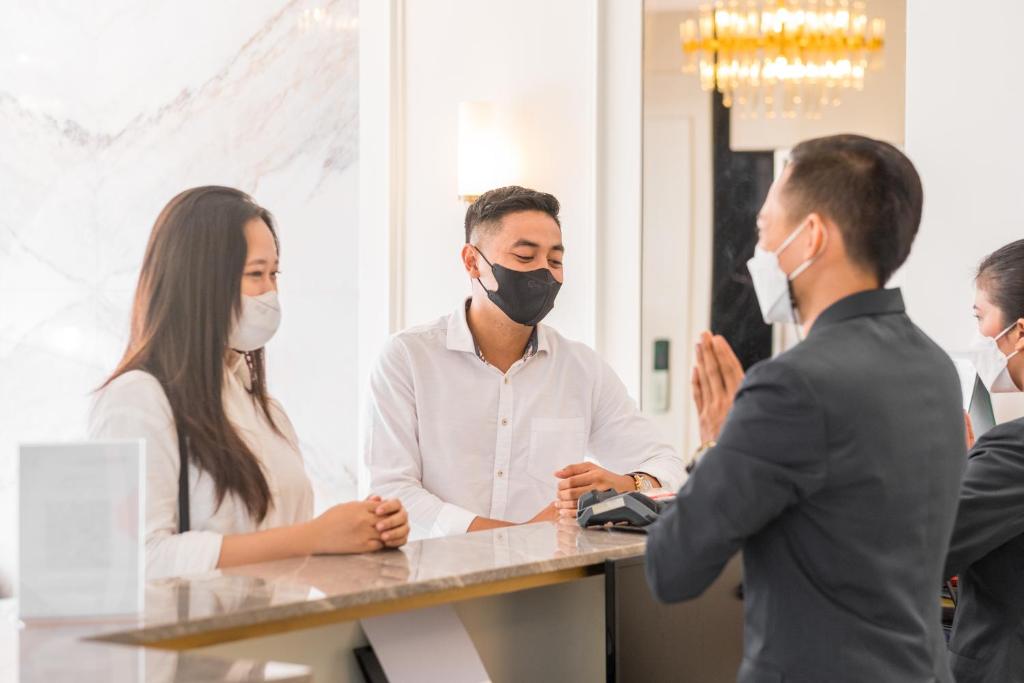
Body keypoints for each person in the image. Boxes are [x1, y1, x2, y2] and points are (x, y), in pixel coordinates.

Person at [645, 135, 964, 682]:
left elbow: (672, 568)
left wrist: (717, 443)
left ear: (810, 236)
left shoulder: (792, 386)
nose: (757, 253)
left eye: (764, 230)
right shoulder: (935, 364)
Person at [90, 186, 408, 579]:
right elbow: (138, 559)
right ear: (199, 280)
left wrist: (366, 527)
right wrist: (314, 537)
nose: (271, 292)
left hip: (276, 629)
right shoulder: (137, 399)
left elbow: (280, 541)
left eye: (274, 274)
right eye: (255, 274)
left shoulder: (262, 407)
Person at [361, 185, 685, 538]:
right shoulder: (408, 358)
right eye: (526, 258)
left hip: (552, 582)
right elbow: (393, 490)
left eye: (555, 260)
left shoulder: (581, 369)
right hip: (434, 579)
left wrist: (626, 482)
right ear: (472, 261)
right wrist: (513, 541)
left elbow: (669, 467)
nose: (544, 273)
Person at [944, 239, 1024, 683]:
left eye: (980, 317)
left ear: (1020, 331)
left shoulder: (1015, 449)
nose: (977, 338)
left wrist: (954, 470)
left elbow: (922, 550)